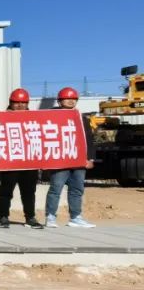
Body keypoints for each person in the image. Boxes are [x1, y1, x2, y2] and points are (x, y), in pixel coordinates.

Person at [45, 87, 97, 228]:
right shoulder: (51, 116)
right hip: (60, 160)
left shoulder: (81, 117)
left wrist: (90, 158)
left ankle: (75, 217)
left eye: (73, 99)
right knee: (56, 188)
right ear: (60, 101)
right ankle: (50, 217)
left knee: (77, 189)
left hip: (79, 160)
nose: (70, 101)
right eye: (67, 98)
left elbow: (89, 139)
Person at [0, 88, 44, 229]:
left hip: (29, 162)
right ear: (11, 103)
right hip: (9, 162)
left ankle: (30, 217)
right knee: (6, 191)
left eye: (23, 102)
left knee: (29, 192)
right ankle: (3, 216)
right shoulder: (1, 118)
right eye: (16, 102)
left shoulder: (34, 119)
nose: (20, 105)